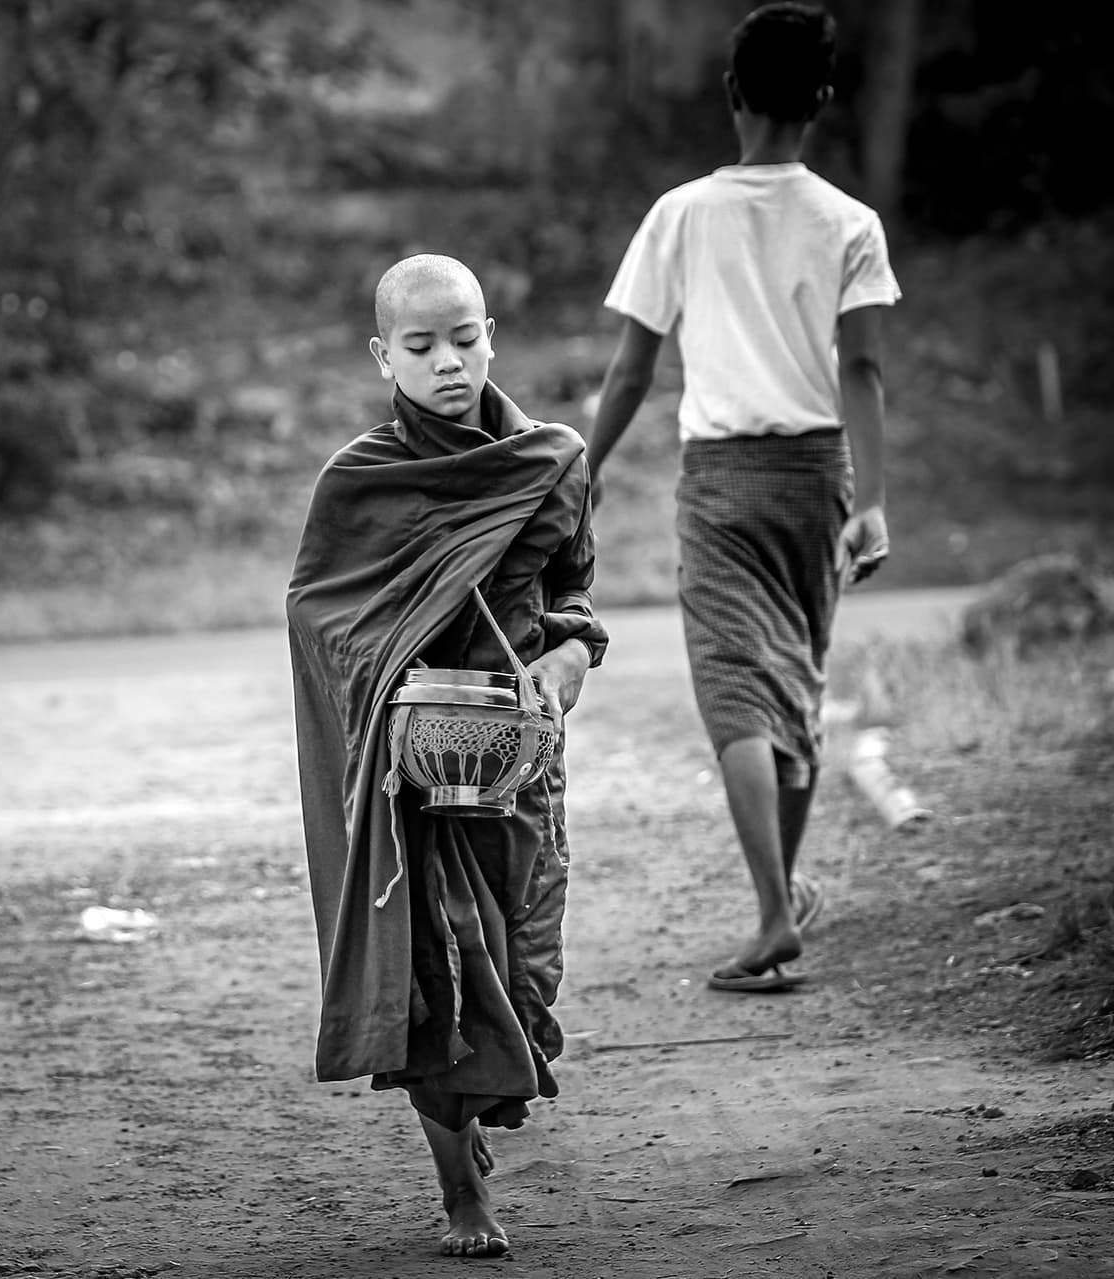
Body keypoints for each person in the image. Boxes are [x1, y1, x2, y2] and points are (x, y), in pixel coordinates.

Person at [286, 253, 607, 1258]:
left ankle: (489, 1088)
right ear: (383, 356)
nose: (448, 363)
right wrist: (393, 686)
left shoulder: (551, 461)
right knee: (435, 968)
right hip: (408, 773)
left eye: (465, 340)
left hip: (515, 763)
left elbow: (573, 593)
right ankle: (460, 1189)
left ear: (491, 338)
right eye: (421, 346)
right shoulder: (359, 483)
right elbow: (319, 617)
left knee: (521, 964)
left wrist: (567, 655)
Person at [584, 1, 900, 993]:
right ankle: (783, 891)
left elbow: (632, 370)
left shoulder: (681, 214)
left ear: (731, 92)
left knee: (734, 689)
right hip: (817, 479)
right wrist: (872, 499)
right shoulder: (851, 223)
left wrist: (582, 468)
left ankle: (772, 912)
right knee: (795, 682)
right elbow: (863, 371)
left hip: (721, 484)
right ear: (823, 99)